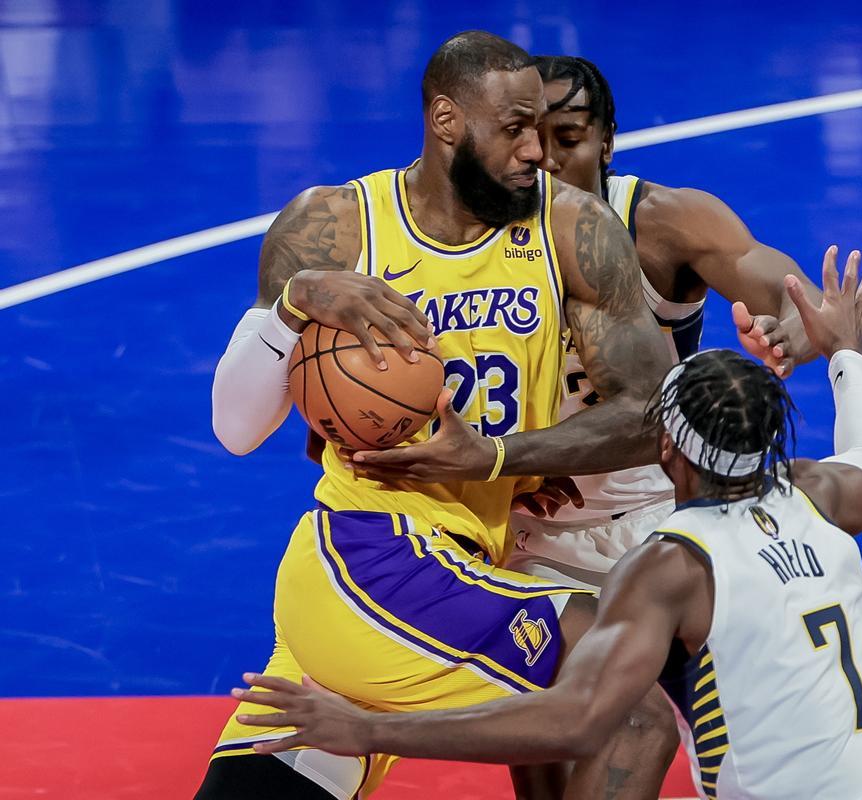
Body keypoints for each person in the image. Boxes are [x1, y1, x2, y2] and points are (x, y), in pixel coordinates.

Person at [232, 247, 862, 800]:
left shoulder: (670, 568)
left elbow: (578, 721)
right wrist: (845, 352)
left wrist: (368, 729)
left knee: (631, 715)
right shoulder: (817, 494)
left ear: (667, 447)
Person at [198, 31, 678, 799]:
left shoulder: (571, 228)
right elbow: (236, 429)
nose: (538, 151)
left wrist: (503, 457)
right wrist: (294, 308)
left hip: (450, 567)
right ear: (448, 121)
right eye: (515, 128)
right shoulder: (336, 226)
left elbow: (653, 414)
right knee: (628, 714)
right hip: (374, 555)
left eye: (547, 130)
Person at [350, 55, 825, 592]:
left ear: (606, 143)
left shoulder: (660, 221)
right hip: (522, 519)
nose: (541, 157)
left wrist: (795, 330)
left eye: (568, 138)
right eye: (525, 133)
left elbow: (795, 295)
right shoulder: (473, 232)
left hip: (654, 506)